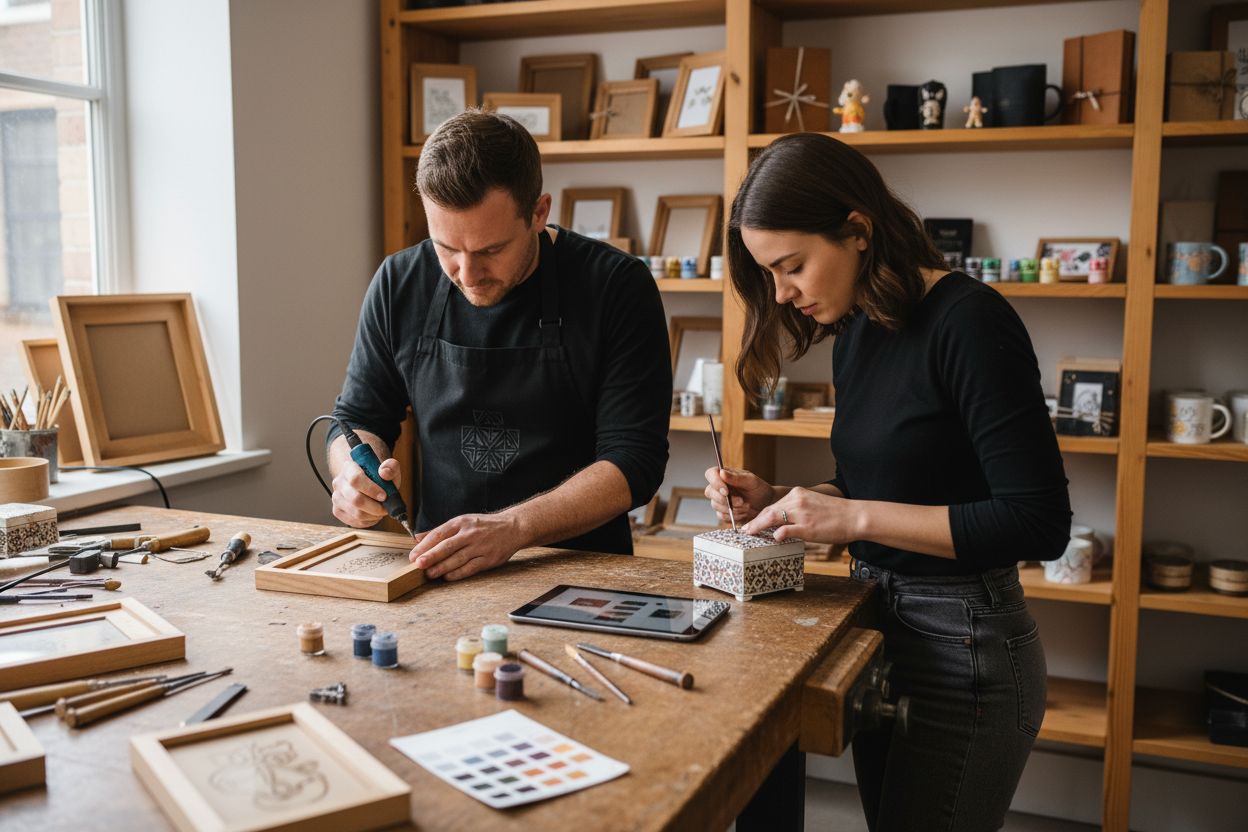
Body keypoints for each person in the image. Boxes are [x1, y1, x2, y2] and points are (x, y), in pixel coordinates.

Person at [704, 133, 1071, 832]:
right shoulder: (862, 327)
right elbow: (871, 484)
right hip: (877, 622)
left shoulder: (970, 322)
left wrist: (854, 521)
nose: (782, 293)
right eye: (769, 273)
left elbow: (1037, 522)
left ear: (858, 231)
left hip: (966, 645)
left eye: (793, 267)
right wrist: (786, 502)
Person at [328, 110, 671, 580]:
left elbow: (635, 459)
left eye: (490, 250)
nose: (467, 275)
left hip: (580, 574)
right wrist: (352, 476)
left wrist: (514, 526)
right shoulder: (399, 282)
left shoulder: (615, 286)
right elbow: (359, 419)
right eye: (446, 248)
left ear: (538, 212)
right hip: (438, 568)